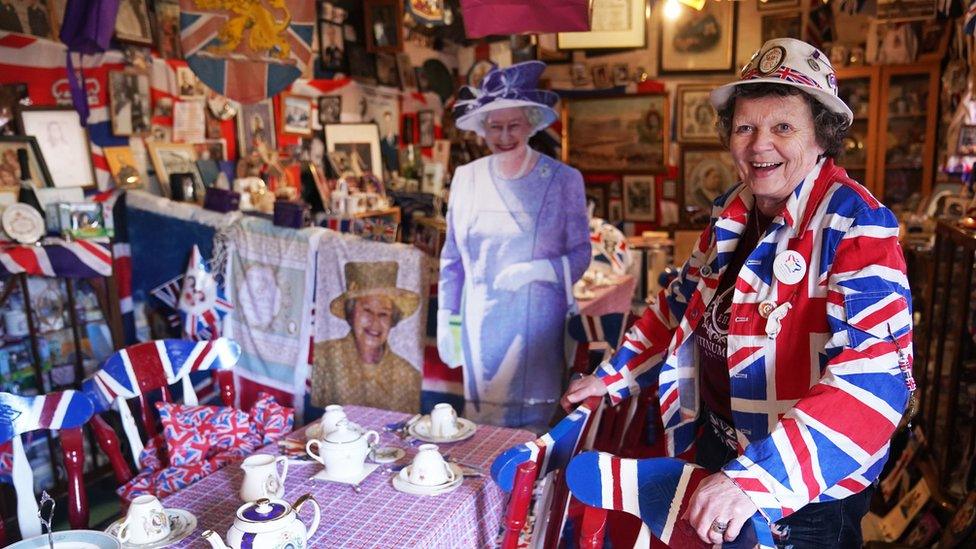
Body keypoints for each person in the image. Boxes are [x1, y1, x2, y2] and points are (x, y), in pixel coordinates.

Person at [561, 38, 913, 547]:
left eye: (782, 127)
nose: (758, 144)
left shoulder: (857, 223)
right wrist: (612, 379)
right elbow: (681, 303)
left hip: (803, 490)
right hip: (718, 450)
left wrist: (755, 478)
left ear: (822, 137)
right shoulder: (734, 207)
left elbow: (878, 374)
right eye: (745, 127)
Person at [438, 61, 590, 431]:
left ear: (531, 124)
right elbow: (453, 258)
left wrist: (539, 270)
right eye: (495, 126)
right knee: (484, 428)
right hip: (480, 324)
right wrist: (449, 320)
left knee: (532, 431)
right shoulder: (466, 179)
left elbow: (581, 251)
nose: (504, 136)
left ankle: (531, 490)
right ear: (481, 128)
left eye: (513, 125)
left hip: (537, 324)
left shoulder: (563, 180)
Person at [311, 261, 421, 413]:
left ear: (392, 320)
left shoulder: (409, 376)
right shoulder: (322, 358)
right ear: (351, 314)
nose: (375, 322)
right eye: (367, 310)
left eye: (384, 314)